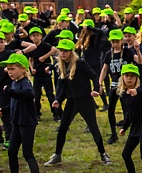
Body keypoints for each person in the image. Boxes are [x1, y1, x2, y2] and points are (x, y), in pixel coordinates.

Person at [46, 38, 111, 166]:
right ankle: (57, 155)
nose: (62, 53)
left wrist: (96, 89)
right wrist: (58, 100)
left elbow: (93, 75)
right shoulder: (62, 66)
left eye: (65, 51)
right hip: (71, 101)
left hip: (85, 100)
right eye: (61, 51)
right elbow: (63, 88)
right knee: (62, 128)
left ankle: (103, 153)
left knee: (93, 128)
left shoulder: (80, 63)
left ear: (71, 51)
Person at [0, 53, 44, 173]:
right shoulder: (15, 83)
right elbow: (15, 101)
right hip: (17, 122)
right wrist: (5, 109)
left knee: (27, 153)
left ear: (23, 69)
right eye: (8, 69)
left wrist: (10, 92)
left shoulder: (26, 84)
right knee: (11, 151)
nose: (10, 72)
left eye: (13, 69)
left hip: (27, 123)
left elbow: (28, 95)